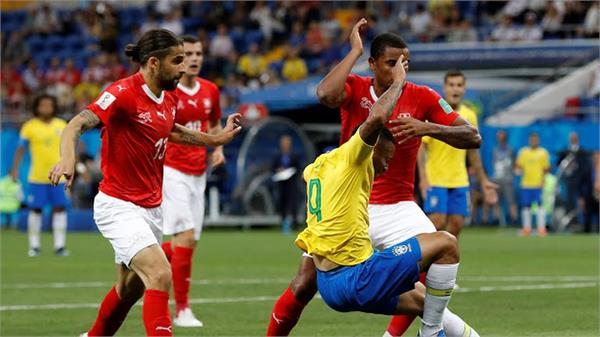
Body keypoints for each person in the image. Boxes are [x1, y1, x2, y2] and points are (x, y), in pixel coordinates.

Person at [266, 19, 481, 337]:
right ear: (373, 64)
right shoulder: (354, 86)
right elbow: (325, 93)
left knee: (431, 269)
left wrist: (427, 127)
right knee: (304, 283)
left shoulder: (422, 97)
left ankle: (413, 333)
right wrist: (353, 49)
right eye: (391, 63)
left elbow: (472, 135)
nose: (398, 69)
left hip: (397, 206)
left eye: (404, 63)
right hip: (349, 205)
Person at [48, 29, 242, 337]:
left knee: (128, 289)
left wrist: (214, 139)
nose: (184, 66)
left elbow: (172, 131)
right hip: (118, 205)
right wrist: (68, 159)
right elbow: (77, 123)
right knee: (160, 272)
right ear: (153, 63)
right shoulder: (123, 93)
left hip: (152, 207)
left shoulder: (167, 98)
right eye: (177, 60)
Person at [158, 35, 224, 328]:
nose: (195, 58)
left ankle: (142, 260)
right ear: (179, 59)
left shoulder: (210, 90)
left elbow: (213, 125)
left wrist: (218, 148)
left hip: (199, 172)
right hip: (171, 169)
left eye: (198, 53)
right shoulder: (169, 92)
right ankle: (182, 309)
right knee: (184, 235)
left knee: (188, 242)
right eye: (188, 54)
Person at [418, 70, 497, 237]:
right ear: (444, 88)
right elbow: (421, 147)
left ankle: (444, 263)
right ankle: (425, 261)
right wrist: (423, 178)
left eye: (459, 85)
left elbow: (473, 153)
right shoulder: (433, 112)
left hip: (460, 179)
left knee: (457, 225)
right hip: (436, 178)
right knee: (436, 222)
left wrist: (483, 181)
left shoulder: (469, 115)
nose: (455, 89)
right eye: (451, 85)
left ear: (464, 89)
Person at [11, 94, 69, 257]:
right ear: (36, 107)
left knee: (60, 209)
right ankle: (34, 246)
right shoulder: (29, 126)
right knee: (36, 210)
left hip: (59, 176)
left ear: (54, 107)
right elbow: (21, 149)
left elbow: (69, 148)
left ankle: (60, 246)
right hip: (37, 177)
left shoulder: (61, 124)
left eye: (49, 105)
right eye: (42, 105)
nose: (45, 108)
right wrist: (15, 169)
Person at [515, 132, 550, 236]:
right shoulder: (523, 152)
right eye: (532, 139)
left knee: (540, 206)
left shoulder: (543, 152)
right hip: (526, 184)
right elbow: (518, 166)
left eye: (536, 139)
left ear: (538, 140)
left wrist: (543, 180)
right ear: (529, 140)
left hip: (538, 184)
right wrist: (517, 170)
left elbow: (546, 168)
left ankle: (541, 229)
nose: (534, 141)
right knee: (526, 207)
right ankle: (527, 229)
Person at [272, 134, 301, 234]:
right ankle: (284, 223)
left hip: (292, 183)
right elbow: (273, 168)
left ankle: (295, 224)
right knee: (283, 203)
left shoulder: (295, 155)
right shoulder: (277, 155)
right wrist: (279, 170)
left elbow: (299, 168)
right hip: (281, 183)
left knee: (293, 203)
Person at [492, 130, 517, 226]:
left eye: (501, 137)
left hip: (507, 179)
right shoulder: (495, 150)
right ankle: (497, 219)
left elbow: (513, 163)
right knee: (497, 200)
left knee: (511, 200)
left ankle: (513, 219)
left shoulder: (510, 149)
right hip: (497, 178)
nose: (499, 139)